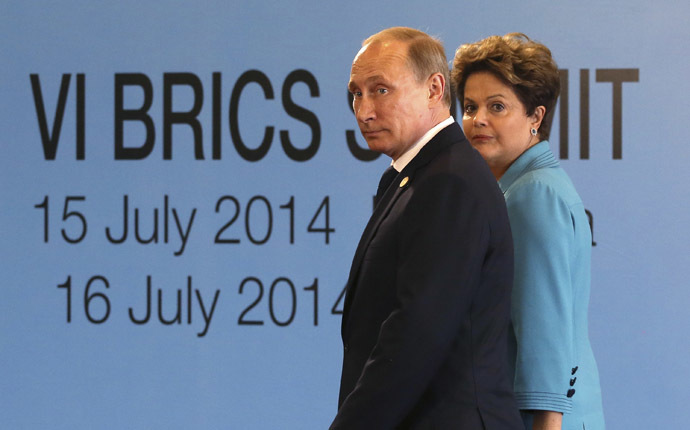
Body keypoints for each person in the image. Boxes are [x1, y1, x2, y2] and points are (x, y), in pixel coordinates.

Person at [330, 27, 522, 429]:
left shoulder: (449, 182)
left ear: (435, 89)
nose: (363, 110)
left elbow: (416, 332)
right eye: (356, 93)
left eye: (380, 90)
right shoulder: (418, 176)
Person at [451, 33, 606, 430]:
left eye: (497, 106)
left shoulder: (532, 194)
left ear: (535, 117)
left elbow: (545, 331)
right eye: (469, 107)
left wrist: (546, 423)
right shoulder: (521, 189)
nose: (477, 119)